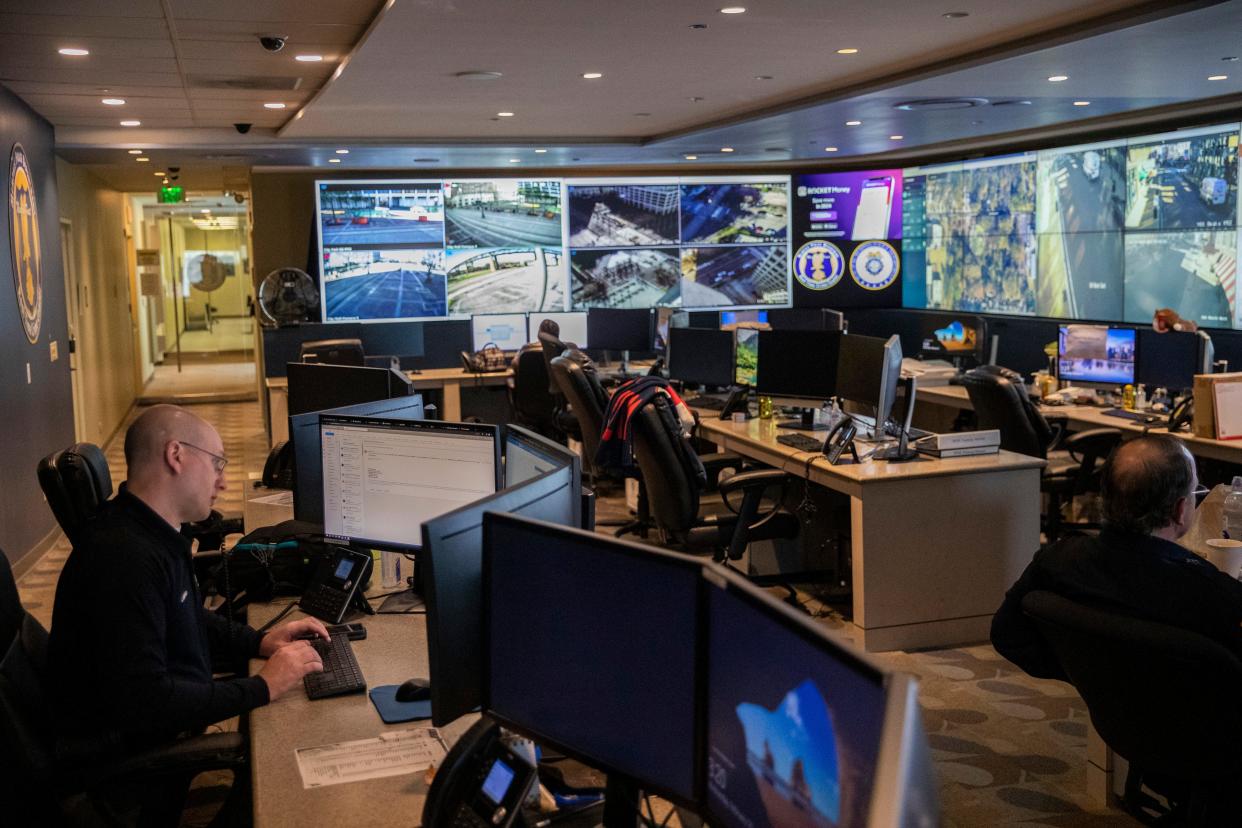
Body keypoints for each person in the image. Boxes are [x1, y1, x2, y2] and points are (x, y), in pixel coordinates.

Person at [48, 404, 329, 825]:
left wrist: (258, 641)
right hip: (134, 771)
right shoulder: (123, 559)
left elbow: (187, 617)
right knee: (291, 780)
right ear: (176, 455)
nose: (224, 481)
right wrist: (261, 687)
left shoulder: (154, 531)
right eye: (217, 463)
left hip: (161, 735)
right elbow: (147, 701)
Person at [991, 434, 1242, 681]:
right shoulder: (1206, 589)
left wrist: (1086, 674)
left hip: (1110, 712)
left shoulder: (1059, 559)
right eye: (1194, 493)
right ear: (1179, 510)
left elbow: (1007, 634)